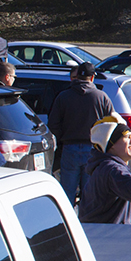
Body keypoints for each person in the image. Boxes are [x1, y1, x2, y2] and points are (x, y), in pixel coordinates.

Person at [48, 61, 114, 204]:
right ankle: (87, 223)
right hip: (93, 150)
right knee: (89, 192)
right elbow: (112, 124)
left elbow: (53, 124)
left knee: (67, 192)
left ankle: (66, 222)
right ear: (92, 77)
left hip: (69, 148)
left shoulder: (63, 96)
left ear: (76, 77)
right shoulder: (101, 97)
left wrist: (60, 142)